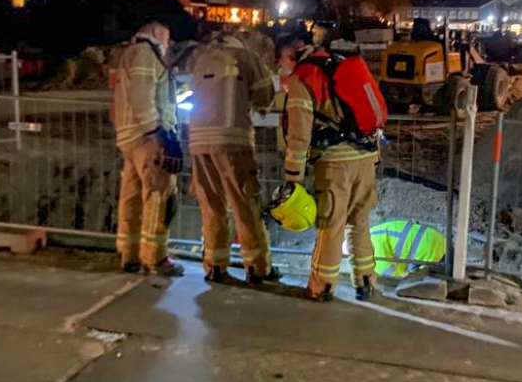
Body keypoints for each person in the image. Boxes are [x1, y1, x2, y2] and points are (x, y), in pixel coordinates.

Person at [281, 41, 382, 303]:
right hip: (367, 155)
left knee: (330, 225)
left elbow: (299, 133)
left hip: (335, 162)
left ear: (291, 55)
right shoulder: (338, 63)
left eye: (281, 61)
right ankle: (366, 282)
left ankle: (322, 286)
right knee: (359, 222)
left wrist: (293, 175)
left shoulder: (303, 76)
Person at [188, 29, 277, 285]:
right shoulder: (247, 57)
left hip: (198, 142)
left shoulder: (203, 59)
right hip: (233, 141)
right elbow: (265, 97)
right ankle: (257, 267)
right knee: (244, 203)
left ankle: (215, 265)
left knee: (211, 204)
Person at [113, 21, 184, 277]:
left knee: (131, 198)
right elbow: (142, 95)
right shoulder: (145, 54)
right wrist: (156, 133)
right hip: (147, 138)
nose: (169, 42)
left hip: (130, 137)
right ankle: (155, 257)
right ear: (156, 33)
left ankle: (129, 253)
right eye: (167, 35)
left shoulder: (129, 54)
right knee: (159, 197)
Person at [369, 220, 446, 280]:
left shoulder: (373, 249)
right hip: (438, 239)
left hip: (430, 253)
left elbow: (391, 277)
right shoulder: (374, 233)